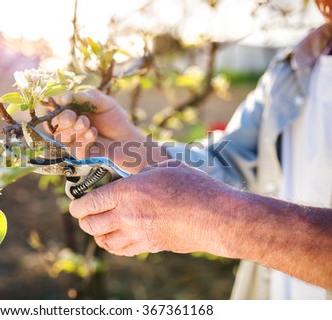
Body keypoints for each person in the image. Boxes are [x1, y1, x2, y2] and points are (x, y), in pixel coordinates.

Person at [50, 0, 332, 299]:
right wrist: (130, 144)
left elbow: (219, 206)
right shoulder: (294, 66)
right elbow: (231, 162)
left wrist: (220, 220)